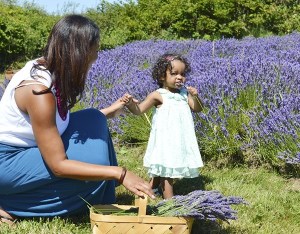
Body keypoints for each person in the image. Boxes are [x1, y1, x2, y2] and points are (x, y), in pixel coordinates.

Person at [0, 14, 154, 226]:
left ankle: (100, 188)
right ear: (79, 53)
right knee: (94, 174)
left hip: (27, 150)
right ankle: (10, 204)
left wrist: (112, 111)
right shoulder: (39, 92)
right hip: (7, 161)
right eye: (95, 50)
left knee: (94, 117)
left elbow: (61, 121)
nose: (96, 57)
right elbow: (58, 165)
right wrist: (120, 173)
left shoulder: (48, 68)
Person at [123, 53, 204, 199]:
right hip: (165, 139)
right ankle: (169, 201)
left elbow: (197, 109)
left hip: (180, 138)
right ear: (162, 76)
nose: (180, 77)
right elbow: (139, 110)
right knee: (168, 168)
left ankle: (151, 188)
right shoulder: (158, 95)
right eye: (174, 74)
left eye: (182, 74)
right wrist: (129, 104)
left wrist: (195, 96)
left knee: (166, 164)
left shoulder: (184, 94)